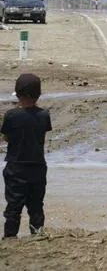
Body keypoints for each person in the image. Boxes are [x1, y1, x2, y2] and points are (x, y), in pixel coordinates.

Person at [1, 73, 52, 239]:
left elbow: (7, 137)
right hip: (37, 166)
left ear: (18, 93)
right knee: (36, 206)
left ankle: (9, 238)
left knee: (13, 207)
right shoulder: (44, 115)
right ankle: (38, 236)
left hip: (16, 167)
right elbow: (41, 139)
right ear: (38, 94)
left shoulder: (11, 115)